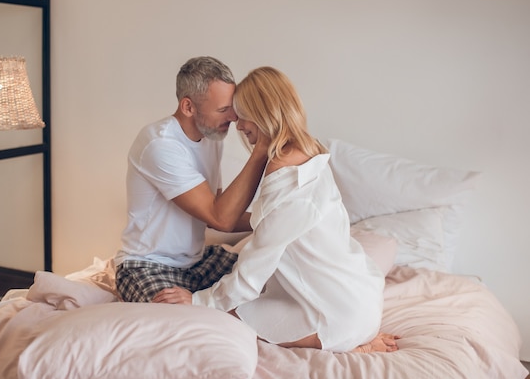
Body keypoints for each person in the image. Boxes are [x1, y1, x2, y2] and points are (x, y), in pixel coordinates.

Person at [153, 66, 398, 353]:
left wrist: (197, 301)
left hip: (342, 313)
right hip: (358, 296)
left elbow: (253, 270)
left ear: (262, 114)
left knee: (219, 318)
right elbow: (266, 228)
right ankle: (354, 335)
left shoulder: (286, 176)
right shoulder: (310, 151)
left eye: (242, 114)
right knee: (246, 306)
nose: (237, 124)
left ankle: (354, 344)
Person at [114, 56, 269, 303]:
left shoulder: (212, 138)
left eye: (232, 107)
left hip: (198, 263)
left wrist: (274, 220)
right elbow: (220, 218)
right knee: (178, 320)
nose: (233, 117)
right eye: (223, 110)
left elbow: (218, 212)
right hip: (147, 266)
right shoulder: (160, 144)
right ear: (188, 107)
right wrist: (261, 151)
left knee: (272, 283)